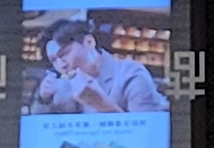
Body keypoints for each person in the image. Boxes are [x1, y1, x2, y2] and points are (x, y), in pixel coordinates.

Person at [25, 14, 165, 114]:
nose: (61, 65)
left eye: (64, 54)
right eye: (54, 60)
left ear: (89, 42)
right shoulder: (64, 83)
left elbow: (147, 135)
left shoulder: (131, 74)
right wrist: (44, 99)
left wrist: (101, 103)